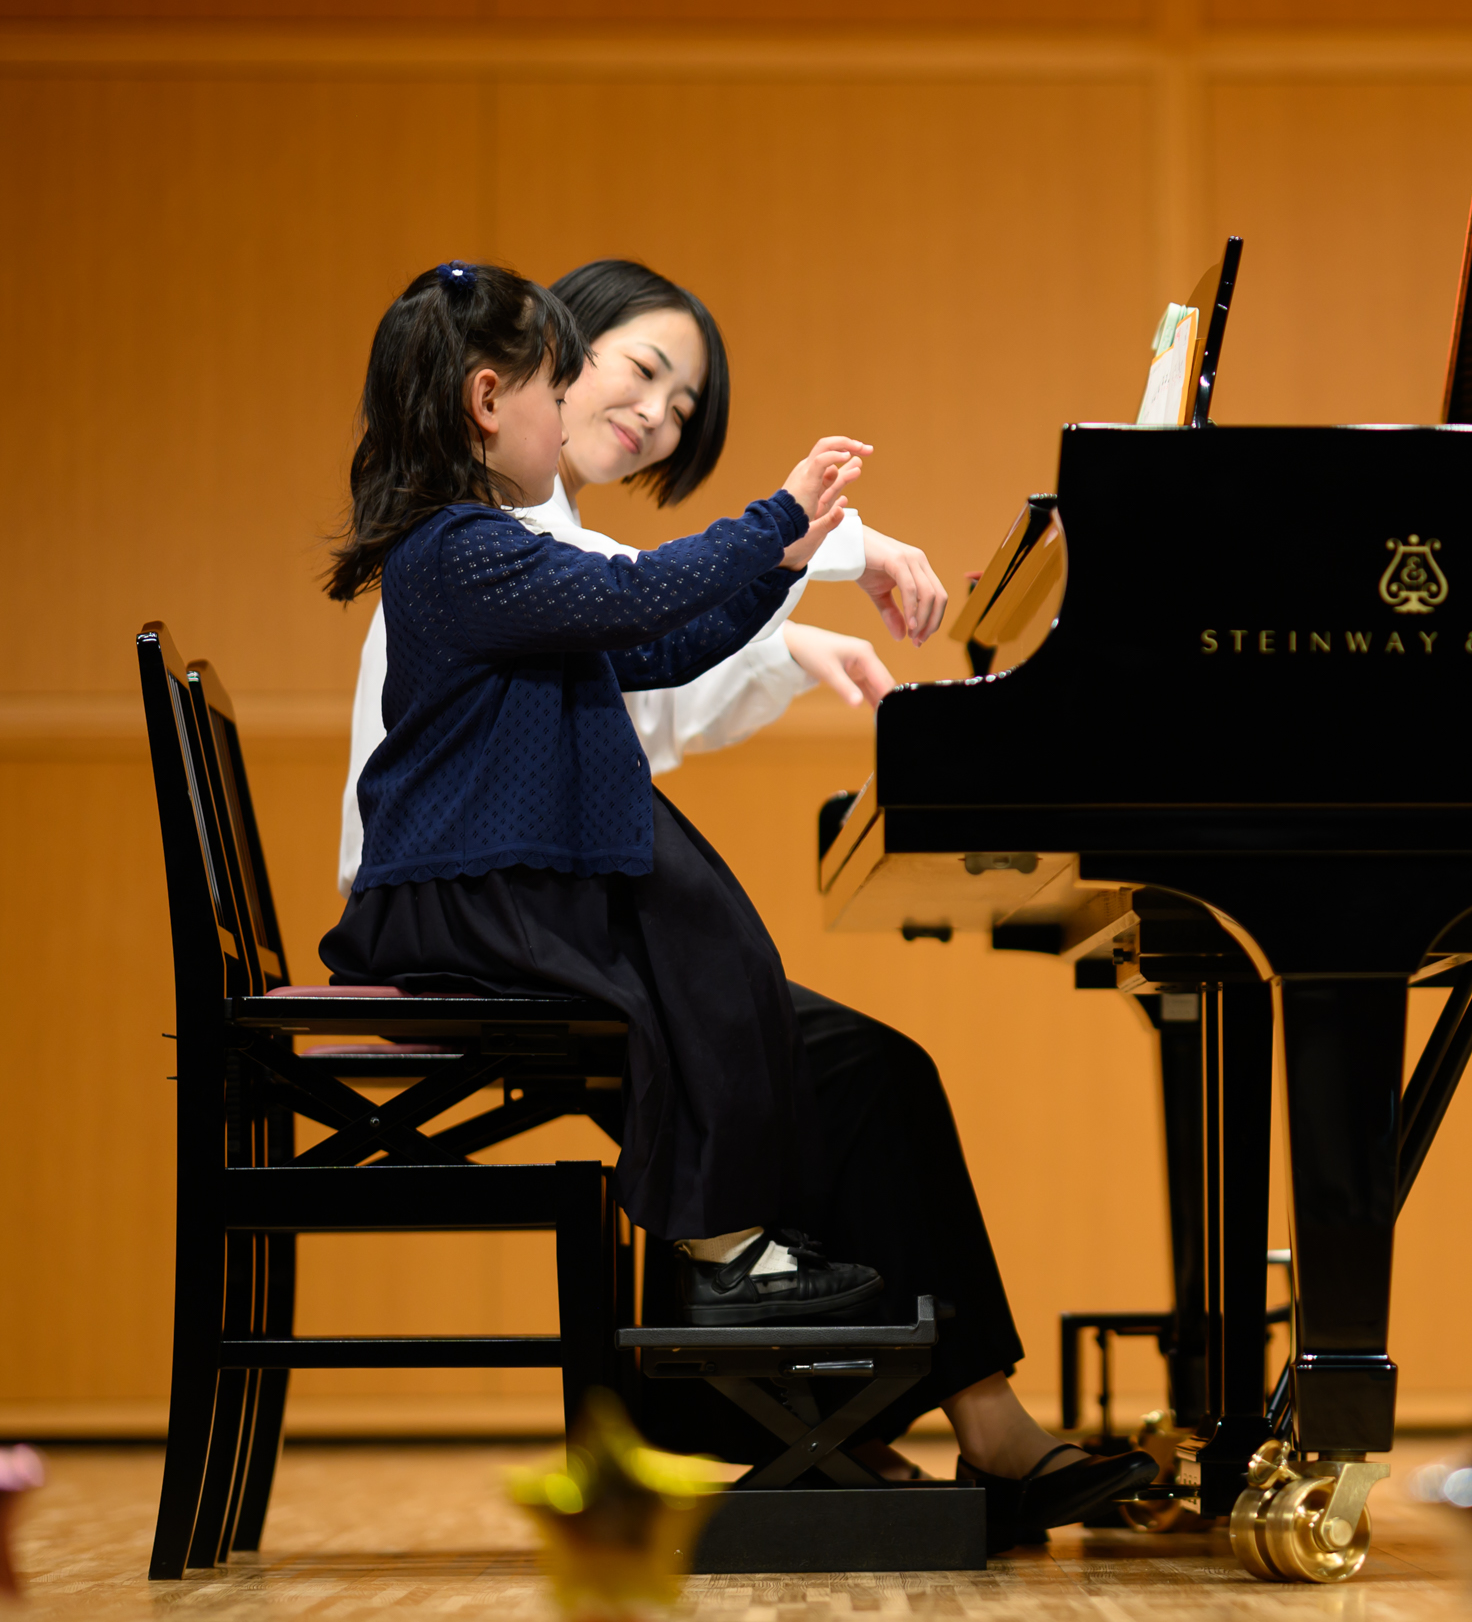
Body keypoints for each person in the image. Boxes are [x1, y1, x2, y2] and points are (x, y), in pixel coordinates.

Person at [328, 259, 1154, 1543]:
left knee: (837, 1039)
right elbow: (634, 594)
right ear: (494, 399)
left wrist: (796, 558)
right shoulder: (465, 553)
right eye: (588, 381)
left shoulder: (507, 547)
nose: (635, 412)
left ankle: (892, 1413)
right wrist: (785, 517)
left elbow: (657, 638)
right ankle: (730, 1278)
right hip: (464, 909)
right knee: (680, 901)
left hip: (521, 891)